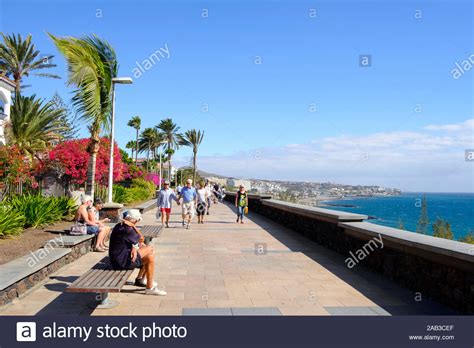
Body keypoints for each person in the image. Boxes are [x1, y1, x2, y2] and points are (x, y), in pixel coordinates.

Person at [109, 209, 167, 296]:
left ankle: (144, 282)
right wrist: (133, 227)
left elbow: (137, 242)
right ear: (135, 220)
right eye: (138, 220)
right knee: (150, 249)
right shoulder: (127, 229)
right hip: (122, 262)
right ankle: (147, 286)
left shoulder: (119, 226)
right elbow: (141, 238)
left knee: (149, 256)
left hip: (118, 259)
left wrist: (135, 247)